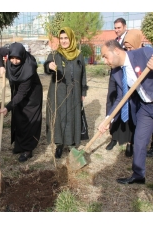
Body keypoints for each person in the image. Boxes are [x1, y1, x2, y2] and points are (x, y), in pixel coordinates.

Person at [98, 40, 153, 203]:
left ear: (116, 51)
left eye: (105, 56)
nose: (105, 61)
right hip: (146, 107)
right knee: (139, 142)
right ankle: (138, 174)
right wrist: (108, 119)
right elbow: (120, 97)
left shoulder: (144, 53)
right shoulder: (118, 72)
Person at [44, 27, 88, 158]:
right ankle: (59, 144)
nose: (63, 41)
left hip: (74, 92)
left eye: (66, 38)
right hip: (59, 92)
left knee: (72, 116)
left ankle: (71, 143)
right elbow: (46, 66)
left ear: (71, 39)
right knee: (60, 118)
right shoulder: (54, 54)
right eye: (61, 38)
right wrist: (49, 67)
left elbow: (83, 74)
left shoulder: (79, 55)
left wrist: (83, 92)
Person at [0, 42, 43, 162]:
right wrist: (1, 65)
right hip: (18, 90)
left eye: (18, 58)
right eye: (12, 58)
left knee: (29, 120)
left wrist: (7, 107)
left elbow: (22, 94)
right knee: (18, 117)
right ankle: (19, 146)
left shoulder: (29, 68)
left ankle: (28, 149)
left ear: (22, 56)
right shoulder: (8, 52)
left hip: (32, 95)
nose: (15, 61)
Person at [105, 18, 129, 152]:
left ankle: (128, 141)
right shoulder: (115, 42)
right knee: (111, 100)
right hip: (114, 74)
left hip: (126, 76)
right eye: (115, 27)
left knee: (126, 104)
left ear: (125, 26)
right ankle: (114, 137)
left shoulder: (129, 40)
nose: (117, 30)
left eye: (119, 27)